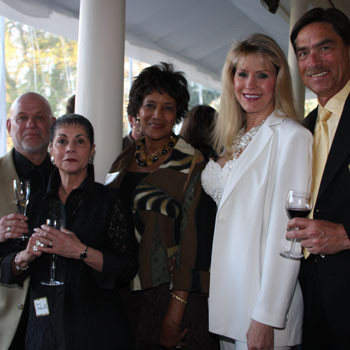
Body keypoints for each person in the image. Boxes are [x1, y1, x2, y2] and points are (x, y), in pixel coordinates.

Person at [201, 34, 313, 350]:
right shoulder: (235, 137)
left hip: (260, 310)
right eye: (242, 74)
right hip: (230, 301)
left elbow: (287, 235)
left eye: (262, 75)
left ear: (278, 80)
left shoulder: (292, 137)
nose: (250, 84)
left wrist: (266, 317)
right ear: (230, 79)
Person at [0, 114, 138, 349]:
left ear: (92, 150)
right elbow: (6, 267)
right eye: (62, 141)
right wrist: (26, 256)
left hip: (96, 331)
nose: (70, 148)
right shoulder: (33, 203)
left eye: (80, 141)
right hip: (43, 331)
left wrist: (80, 251)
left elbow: (126, 269)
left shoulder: (110, 201)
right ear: (51, 149)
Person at [107, 62, 219, 350]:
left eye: (168, 108)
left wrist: (173, 315)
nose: (157, 115)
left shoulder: (192, 164)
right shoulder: (123, 159)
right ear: (137, 110)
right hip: (123, 296)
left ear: (177, 115)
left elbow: (195, 246)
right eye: (149, 105)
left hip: (170, 297)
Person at [287, 8, 350, 350]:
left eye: (325, 48)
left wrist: (346, 235)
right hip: (310, 298)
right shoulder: (304, 128)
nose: (314, 61)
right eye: (303, 52)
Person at [0, 92, 55, 349]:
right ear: (9, 126)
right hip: (5, 321)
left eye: (39, 118)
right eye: (22, 117)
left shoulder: (68, 177)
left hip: (56, 322)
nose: (31, 124)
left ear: (52, 125)